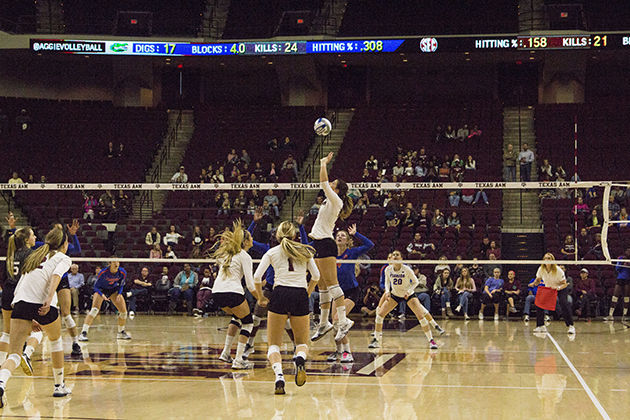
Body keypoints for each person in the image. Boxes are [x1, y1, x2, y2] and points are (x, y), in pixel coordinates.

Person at [0, 227, 71, 402]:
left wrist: (24, 312)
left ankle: (0, 383)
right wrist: (48, 298)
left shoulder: (35, 255)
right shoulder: (63, 258)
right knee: (56, 340)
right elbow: (56, 275)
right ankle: (59, 385)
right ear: (64, 244)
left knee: (15, 354)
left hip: (20, 302)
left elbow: (21, 284)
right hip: (42, 304)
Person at [254, 221, 319, 395]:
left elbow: (257, 277)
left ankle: (279, 376)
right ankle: (300, 358)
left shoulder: (272, 252)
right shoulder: (304, 251)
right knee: (302, 343)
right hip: (299, 293)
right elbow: (316, 276)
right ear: (295, 235)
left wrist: (260, 297)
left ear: (277, 235)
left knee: (273, 344)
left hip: (279, 293)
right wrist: (308, 292)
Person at [310, 152, 354, 343]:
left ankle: (343, 321)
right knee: (322, 285)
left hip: (327, 243)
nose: (331, 183)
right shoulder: (330, 200)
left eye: (333, 182)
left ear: (337, 188)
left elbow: (323, 182)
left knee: (332, 283)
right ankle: (323, 323)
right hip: (318, 242)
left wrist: (323, 164)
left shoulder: (336, 200)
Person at [369, 250, 442, 350]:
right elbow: (387, 282)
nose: (395, 256)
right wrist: (387, 291)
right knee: (380, 314)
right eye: (393, 255)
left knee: (421, 316)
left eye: (397, 255)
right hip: (395, 294)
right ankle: (376, 340)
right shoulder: (388, 269)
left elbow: (415, 282)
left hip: (409, 295)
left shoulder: (406, 269)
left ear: (401, 258)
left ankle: (431, 341)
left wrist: (409, 291)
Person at [211, 221, 260, 369]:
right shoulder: (244, 256)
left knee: (237, 318)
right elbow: (250, 285)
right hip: (232, 292)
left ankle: (225, 353)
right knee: (248, 322)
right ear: (245, 242)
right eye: (250, 237)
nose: (252, 239)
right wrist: (261, 299)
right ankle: (239, 360)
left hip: (216, 293)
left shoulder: (227, 254)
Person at [328, 224, 374, 363]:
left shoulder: (352, 252)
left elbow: (369, 244)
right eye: (338, 235)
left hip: (351, 292)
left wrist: (356, 233)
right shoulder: (330, 254)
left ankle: (348, 352)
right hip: (336, 291)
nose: (340, 237)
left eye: (343, 235)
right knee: (335, 325)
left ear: (348, 240)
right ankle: (338, 351)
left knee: (338, 319)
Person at [78, 258, 131, 341]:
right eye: (114, 262)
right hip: (101, 290)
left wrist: (119, 294)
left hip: (113, 290)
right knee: (94, 310)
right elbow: (96, 287)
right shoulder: (103, 272)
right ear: (109, 264)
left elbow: (121, 285)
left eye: (118, 262)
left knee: (124, 312)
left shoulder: (122, 272)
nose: (116, 264)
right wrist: (102, 295)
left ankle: (121, 332)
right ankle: (83, 333)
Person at [532, 253, 575, 335]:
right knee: (539, 303)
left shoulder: (558, 270)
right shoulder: (541, 269)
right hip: (549, 288)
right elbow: (538, 279)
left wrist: (558, 288)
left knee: (564, 304)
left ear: (552, 260)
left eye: (549, 258)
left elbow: (564, 284)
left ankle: (570, 326)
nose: (547, 260)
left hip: (560, 288)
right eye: (545, 258)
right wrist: (535, 283)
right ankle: (540, 325)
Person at [605, 248, 630, 322]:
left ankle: (624, 315)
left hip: (628, 280)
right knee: (615, 297)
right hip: (620, 279)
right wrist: (622, 263)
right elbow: (617, 268)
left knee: (626, 298)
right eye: (627, 251)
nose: (628, 252)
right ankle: (610, 315)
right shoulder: (621, 258)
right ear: (625, 251)